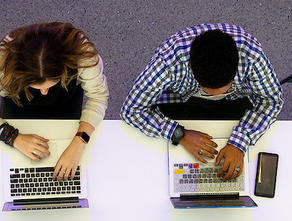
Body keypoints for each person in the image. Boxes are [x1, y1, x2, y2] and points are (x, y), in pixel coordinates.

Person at [121, 24, 283, 180]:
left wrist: (239, 143)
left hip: (234, 101)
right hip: (181, 101)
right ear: (190, 67)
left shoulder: (251, 55)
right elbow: (131, 110)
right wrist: (178, 134)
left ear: (236, 67)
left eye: (225, 89)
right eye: (207, 91)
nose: (214, 97)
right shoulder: (169, 60)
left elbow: (272, 101)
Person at [0, 22, 109, 180]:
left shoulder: (82, 52)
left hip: (66, 105)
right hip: (18, 106)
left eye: (52, 83)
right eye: (37, 87)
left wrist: (79, 142)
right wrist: (13, 137)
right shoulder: (0, 60)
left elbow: (98, 96)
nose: (44, 93)